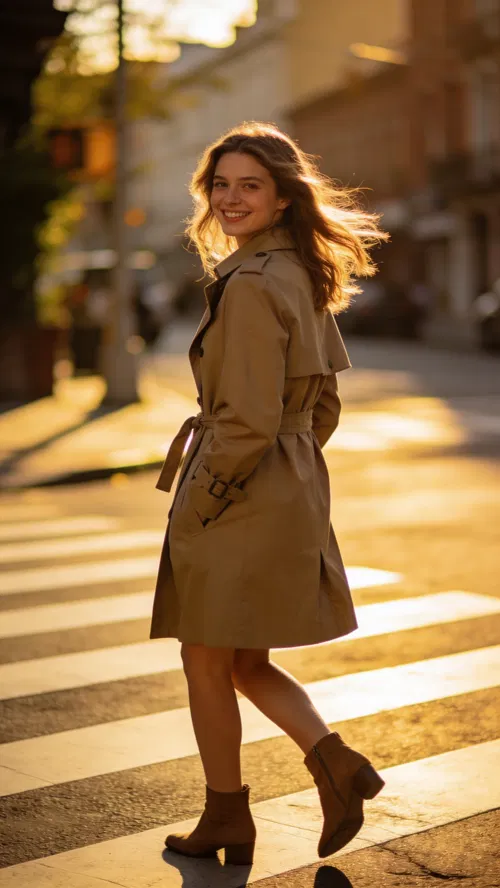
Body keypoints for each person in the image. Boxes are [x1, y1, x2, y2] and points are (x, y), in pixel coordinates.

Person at [150, 121, 388, 866]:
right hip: (282, 486)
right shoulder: (298, 274)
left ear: (283, 198)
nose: (230, 198)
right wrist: (289, 469)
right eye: (219, 185)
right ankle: (336, 765)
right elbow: (323, 408)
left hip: (238, 488)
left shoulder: (253, 285)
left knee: (205, 659)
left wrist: (205, 500)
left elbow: (248, 421)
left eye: (249, 185)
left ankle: (227, 817)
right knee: (244, 661)